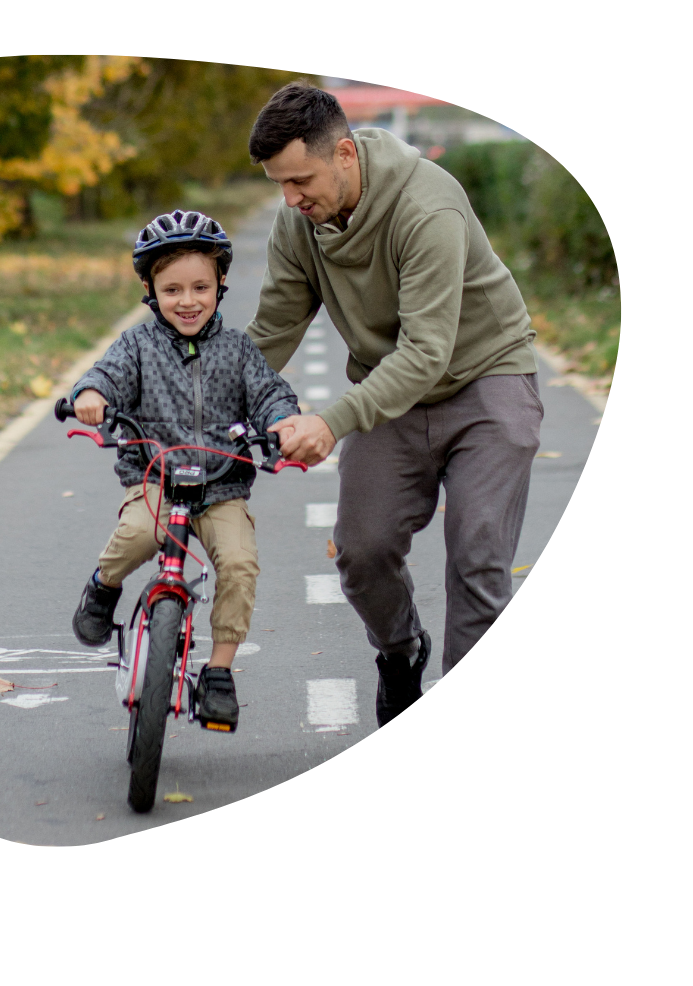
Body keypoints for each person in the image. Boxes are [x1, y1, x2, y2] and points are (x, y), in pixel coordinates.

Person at [244, 83, 544, 727]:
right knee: (362, 551)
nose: (290, 198)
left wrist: (331, 422)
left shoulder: (426, 205)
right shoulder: (299, 223)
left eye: (300, 180)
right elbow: (271, 332)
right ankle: (401, 651)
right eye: (279, 184)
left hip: (486, 380)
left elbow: (427, 352)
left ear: (344, 154)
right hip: (392, 393)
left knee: (478, 558)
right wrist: (195, 399)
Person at [68, 209, 300, 729]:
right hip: (155, 476)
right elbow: (105, 375)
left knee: (238, 564)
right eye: (172, 289)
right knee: (140, 532)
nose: (188, 300)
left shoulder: (238, 350)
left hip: (221, 484)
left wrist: (282, 424)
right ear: (149, 290)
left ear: (221, 283)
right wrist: (92, 395)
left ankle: (218, 672)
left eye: (200, 287)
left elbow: (269, 394)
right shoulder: (137, 346)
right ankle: (104, 586)